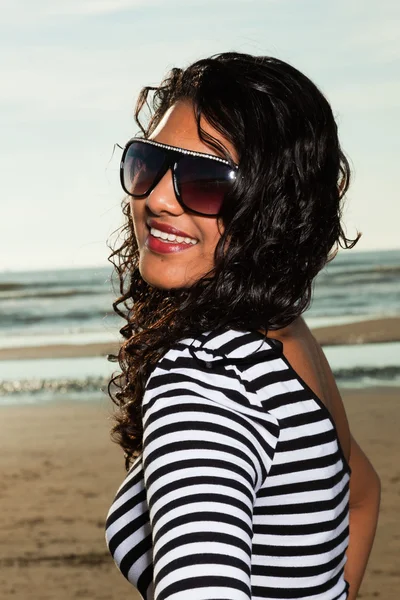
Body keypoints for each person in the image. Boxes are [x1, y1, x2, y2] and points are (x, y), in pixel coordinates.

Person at [105, 52, 381, 600]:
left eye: (206, 181)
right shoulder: (281, 336)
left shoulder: (207, 380)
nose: (157, 197)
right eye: (148, 163)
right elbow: (362, 495)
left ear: (275, 209)